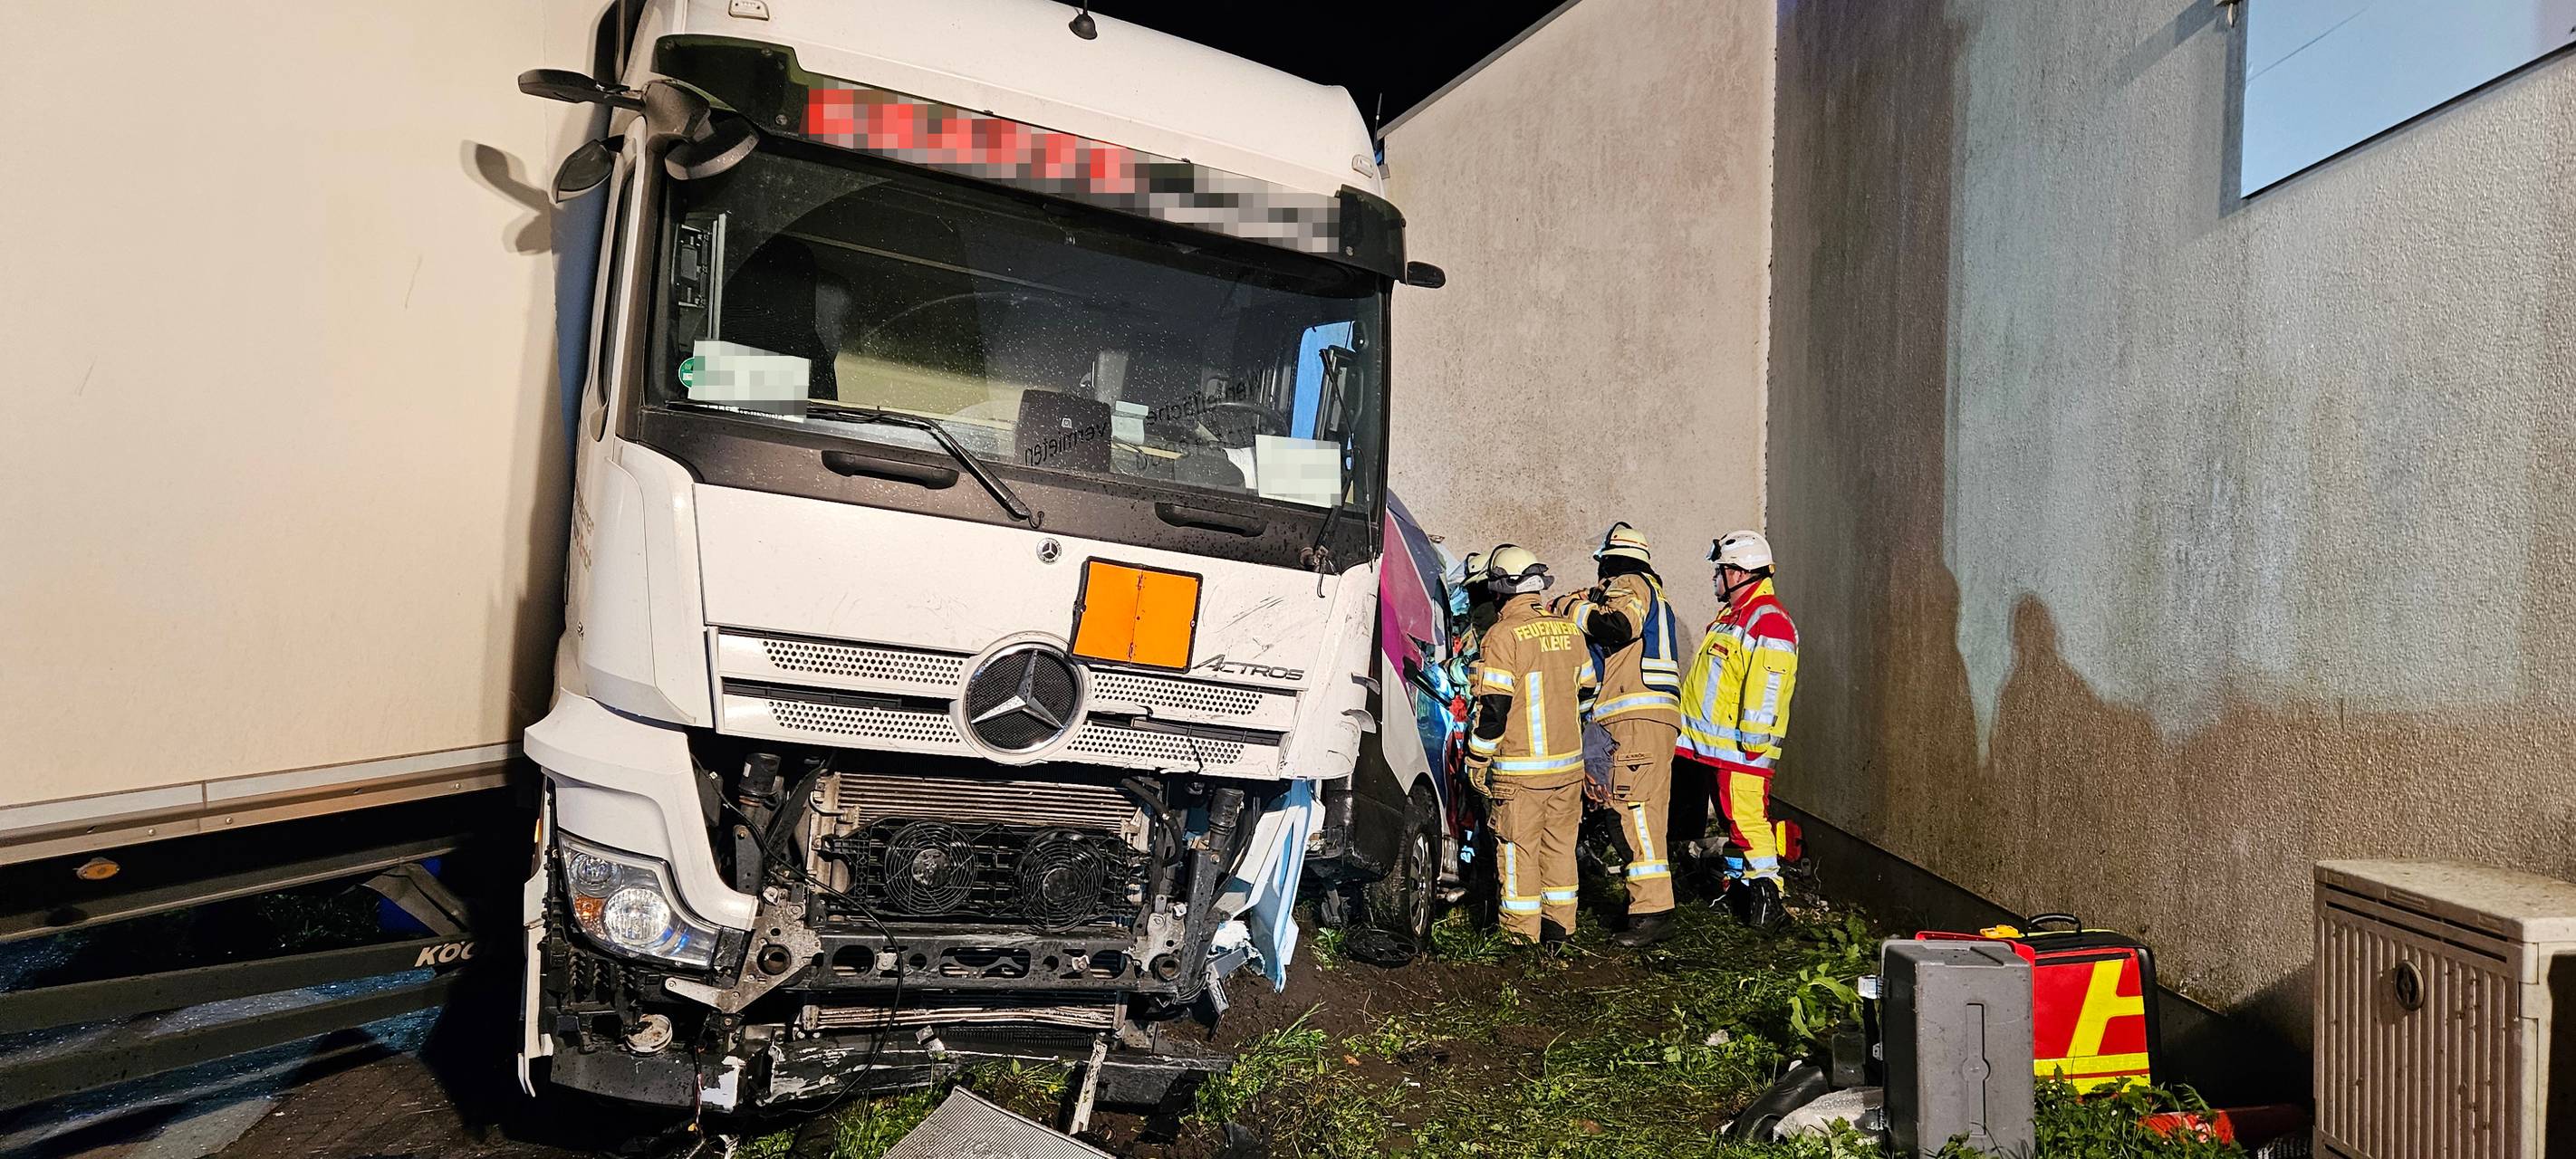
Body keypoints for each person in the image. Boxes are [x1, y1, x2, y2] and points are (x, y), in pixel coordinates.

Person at [1554, 522, 1687, 947]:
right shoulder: (1654, 593)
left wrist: (1571, 610)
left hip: (1637, 719)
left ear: (1610, 563)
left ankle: (1653, 914)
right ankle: (1648, 907)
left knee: (1637, 814)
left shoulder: (1629, 582)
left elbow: (1617, 626)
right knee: (1630, 812)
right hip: (1641, 720)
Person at [1465, 545, 1597, 944]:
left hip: (1521, 774)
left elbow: (1494, 708)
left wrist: (1477, 757)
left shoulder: (1503, 635)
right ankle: (1560, 931)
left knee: (1517, 850)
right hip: (1568, 770)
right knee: (1559, 849)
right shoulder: (1570, 630)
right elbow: (1587, 695)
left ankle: (1521, 940)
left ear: (1501, 590)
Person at [1676, 530, 1799, 933]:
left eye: (1722, 570)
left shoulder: (1769, 621)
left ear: (1739, 572)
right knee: (1735, 825)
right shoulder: (1734, 616)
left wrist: (1754, 741)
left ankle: (1768, 902)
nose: (1717, 579)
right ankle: (1743, 892)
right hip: (1717, 749)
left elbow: (1769, 686)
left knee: (1749, 824)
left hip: (1741, 751)